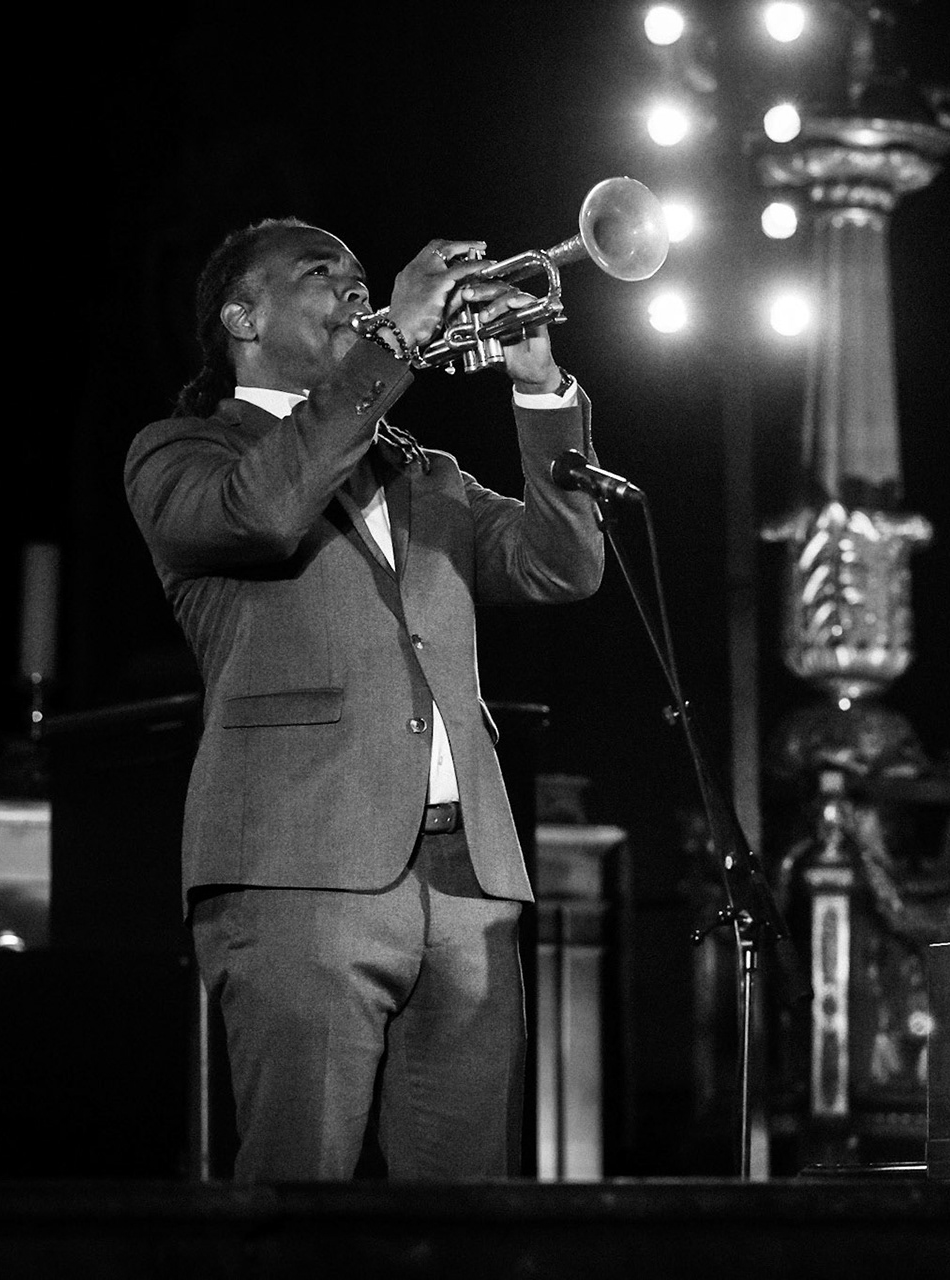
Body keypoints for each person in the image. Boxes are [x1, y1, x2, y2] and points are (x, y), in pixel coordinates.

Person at [123, 217, 605, 1180]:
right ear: (242, 317)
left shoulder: (424, 473)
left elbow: (566, 565)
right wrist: (387, 349)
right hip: (298, 869)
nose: (355, 288)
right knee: (299, 1200)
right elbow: (263, 513)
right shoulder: (182, 455)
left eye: (357, 276)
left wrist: (537, 384)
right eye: (321, 274)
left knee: (460, 1223)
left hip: (466, 881)